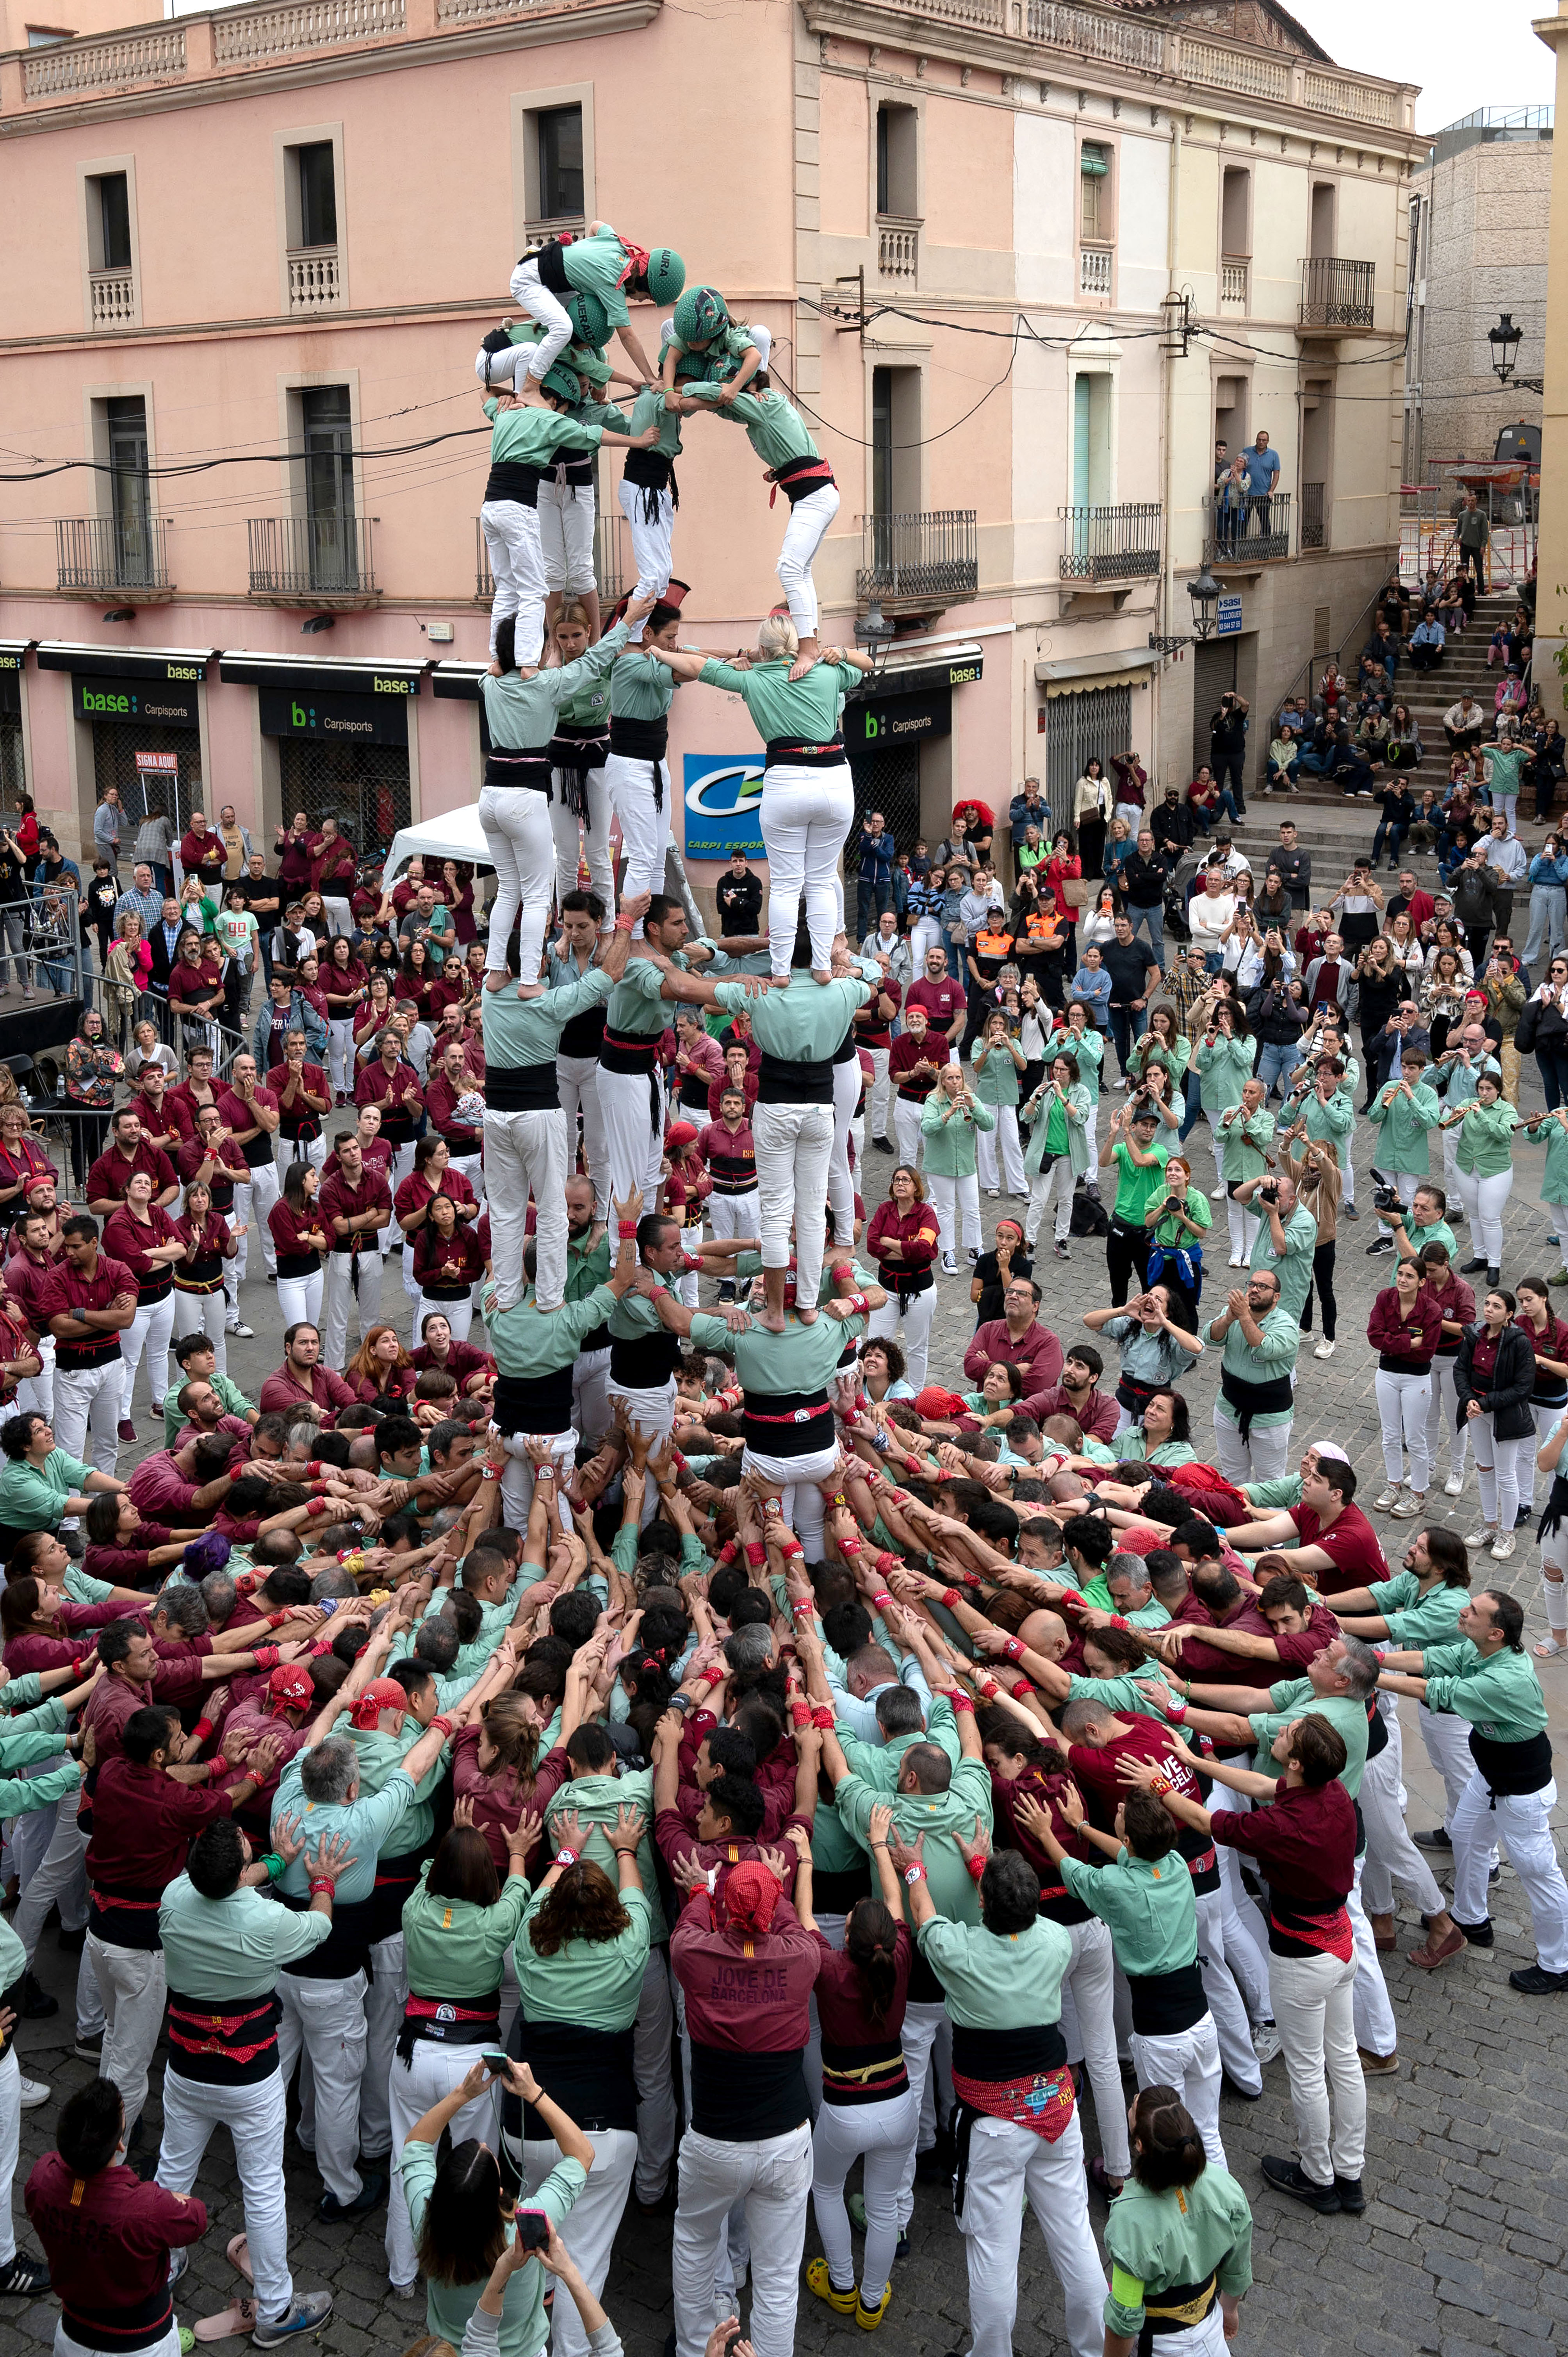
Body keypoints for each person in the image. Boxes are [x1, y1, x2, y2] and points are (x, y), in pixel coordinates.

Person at [1129, 1713, 1366, 2214]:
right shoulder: (1331, 1794)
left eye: (1286, 1736)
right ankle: (1349, 2171)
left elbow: (1203, 1821)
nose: (1277, 1734)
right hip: (1340, 1944)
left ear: (1298, 1762)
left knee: (1306, 2068)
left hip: (1302, 1956)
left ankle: (1317, 2176)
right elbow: (1263, 1783)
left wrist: (1159, 1784)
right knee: (1342, 2058)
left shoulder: (1280, 1825)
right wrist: (1194, 1761)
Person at [889, 1825, 1106, 2357]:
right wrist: (984, 1863)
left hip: (992, 2123)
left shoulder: (958, 1951)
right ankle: (1097, 2346)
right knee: (1076, 2234)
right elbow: (1008, 1908)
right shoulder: (1056, 1940)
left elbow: (925, 1916)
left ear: (983, 1901)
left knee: (993, 2250)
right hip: (1057, 2109)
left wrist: (914, 1864)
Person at [654, 624, 873, 977]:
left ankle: (782, 971)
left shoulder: (752, 678)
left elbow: (696, 666)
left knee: (786, 884)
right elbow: (866, 663)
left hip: (786, 779)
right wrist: (842, 653)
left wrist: (659, 652)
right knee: (819, 880)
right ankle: (821, 967)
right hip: (833, 778)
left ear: (763, 648)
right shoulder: (826, 670)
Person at [1377, 1589, 1568, 1991]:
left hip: (1519, 1792)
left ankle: (1558, 1964)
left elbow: (1434, 1690)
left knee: (1540, 1874)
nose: (1463, 1611)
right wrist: (1374, 1660)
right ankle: (1470, 1917)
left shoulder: (1502, 1678)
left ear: (1495, 1632)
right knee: (1465, 1834)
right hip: (1490, 1777)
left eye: (1473, 1612)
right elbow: (1430, 1661)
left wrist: (1366, 1674)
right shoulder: (1479, 1650)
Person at [668, 1853, 820, 2357]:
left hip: (714, 2140)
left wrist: (698, 1891)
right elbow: (793, 1925)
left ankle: (696, 2349)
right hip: (784, 2141)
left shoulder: (693, 1955)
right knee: (778, 2276)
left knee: (694, 2244)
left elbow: (689, 1922)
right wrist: (772, 1889)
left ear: (725, 1907)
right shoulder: (802, 1958)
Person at [1453, 1285, 1536, 1559]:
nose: (1489, 1309)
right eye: (1487, 1304)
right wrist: (1469, 1400)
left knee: (1506, 1473)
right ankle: (1490, 1524)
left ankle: (1508, 1532)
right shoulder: (1474, 1335)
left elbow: (1523, 1387)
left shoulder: (1519, 1342)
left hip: (1505, 1416)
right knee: (1484, 1468)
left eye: (1496, 1306)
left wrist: (1484, 1403)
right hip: (1476, 1411)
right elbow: (1461, 1370)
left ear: (1510, 1314)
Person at [921, 1061, 994, 1278]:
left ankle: (975, 1248)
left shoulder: (972, 1099)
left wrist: (974, 1107)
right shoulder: (934, 1100)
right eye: (950, 1078)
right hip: (940, 1166)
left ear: (963, 1079)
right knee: (946, 1209)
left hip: (965, 1165)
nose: (955, 1082)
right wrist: (948, 1114)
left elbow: (989, 1124)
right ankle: (948, 1252)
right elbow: (927, 1128)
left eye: (958, 1078)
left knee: (972, 1208)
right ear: (943, 1081)